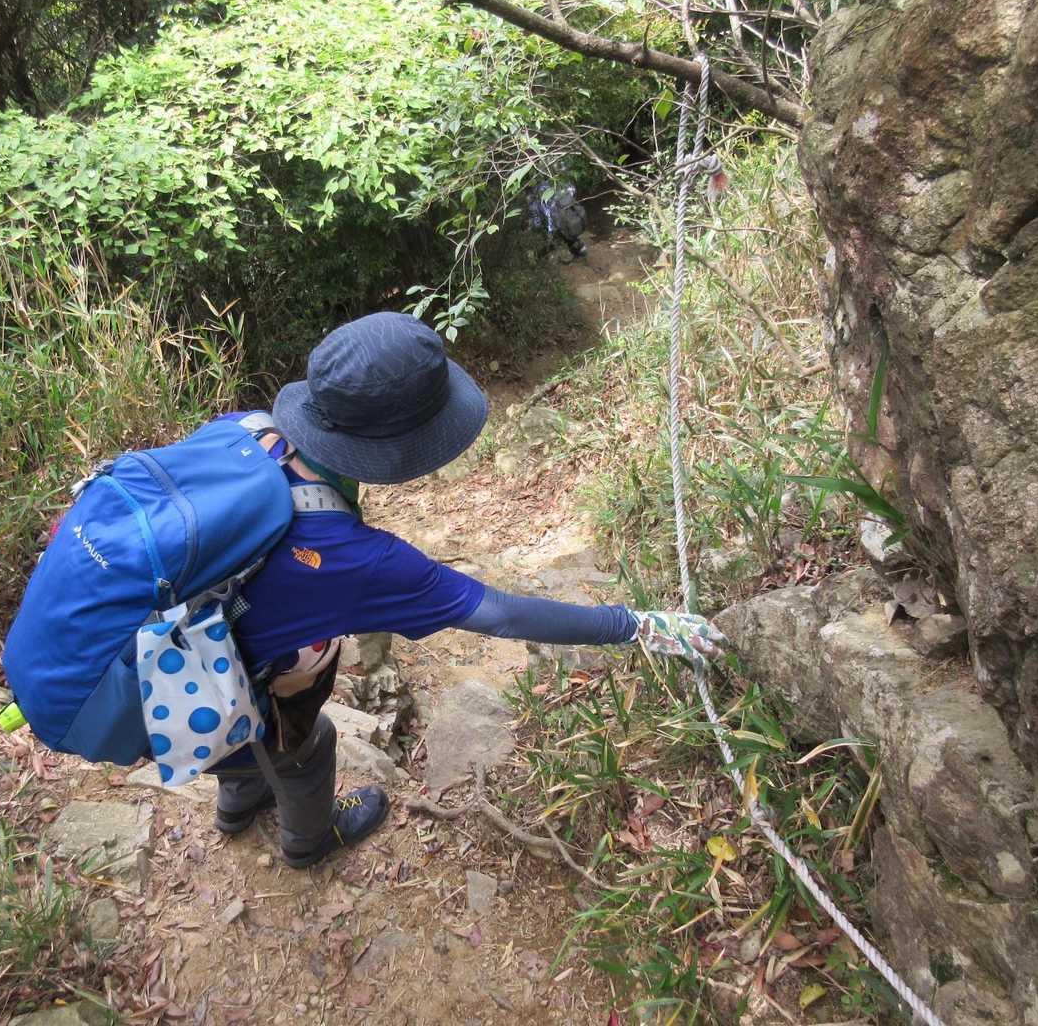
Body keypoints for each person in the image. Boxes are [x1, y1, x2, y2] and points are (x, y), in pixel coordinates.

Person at [211, 311, 721, 868]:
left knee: (244, 720)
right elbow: (501, 614)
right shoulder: (360, 559)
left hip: (167, 651)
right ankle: (309, 842)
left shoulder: (238, 428)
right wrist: (637, 625)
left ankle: (238, 803)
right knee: (307, 744)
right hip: (186, 696)